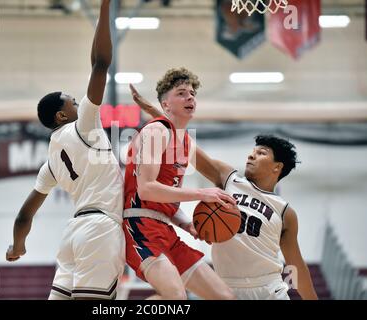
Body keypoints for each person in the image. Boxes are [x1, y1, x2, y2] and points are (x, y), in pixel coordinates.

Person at [130, 85, 318, 300]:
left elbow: (296, 266)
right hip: (226, 288)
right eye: (252, 151)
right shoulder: (229, 178)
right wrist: (157, 113)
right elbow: (186, 145)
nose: (251, 156)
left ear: (277, 167)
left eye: (261, 153)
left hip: (269, 289)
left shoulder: (285, 212)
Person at [6, 0, 125, 300]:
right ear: (62, 115)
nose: (78, 101)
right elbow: (100, 64)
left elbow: (24, 215)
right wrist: (104, 7)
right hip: (100, 230)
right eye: (72, 100)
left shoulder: (50, 163)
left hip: (73, 234)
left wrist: (17, 246)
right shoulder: (84, 124)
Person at [122, 68, 236, 300]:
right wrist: (201, 193)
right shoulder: (156, 131)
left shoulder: (185, 142)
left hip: (166, 230)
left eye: (192, 93)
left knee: (225, 297)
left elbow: (170, 200)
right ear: (166, 105)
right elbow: (147, 189)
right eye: (181, 93)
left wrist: (188, 226)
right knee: (175, 297)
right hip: (138, 226)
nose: (190, 97)